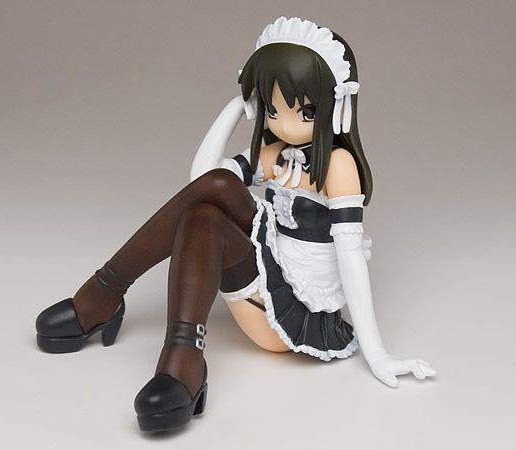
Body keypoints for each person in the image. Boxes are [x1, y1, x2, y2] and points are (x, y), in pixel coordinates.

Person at [35, 17, 436, 433]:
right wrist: (233, 109)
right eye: (272, 110)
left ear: (336, 107)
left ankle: (104, 292)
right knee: (204, 213)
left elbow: (351, 256)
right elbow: (202, 182)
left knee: (211, 201)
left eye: (305, 111)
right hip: (263, 283)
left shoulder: (337, 165)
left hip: (291, 315)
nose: (284, 125)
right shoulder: (273, 153)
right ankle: (180, 361)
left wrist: (377, 353)